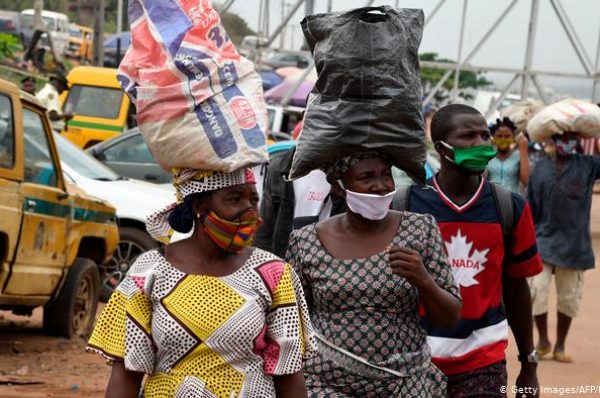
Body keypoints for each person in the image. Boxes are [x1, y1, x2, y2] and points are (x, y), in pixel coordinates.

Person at [87, 167, 317, 397]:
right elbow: (127, 373)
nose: (249, 210)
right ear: (199, 206)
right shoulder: (149, 272)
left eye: (253, 200)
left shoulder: (274, 273)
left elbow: (288, 374)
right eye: (235, 199)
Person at [286, 152, 462, 397]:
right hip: (326, 385)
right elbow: (290, 323)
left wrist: (424, 281)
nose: (380, 186)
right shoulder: (305, 241)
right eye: (367, 177)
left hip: (406, 385)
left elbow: (450, 317)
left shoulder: (420, 229)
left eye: (385, 175)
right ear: (339, 187)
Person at [397, 104, 543, 398]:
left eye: (483, 136)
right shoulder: (407, 205)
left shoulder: (509, 207)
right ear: (441, 148)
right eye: (468, 137)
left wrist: (529, 363)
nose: (481, 144)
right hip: (413, 359)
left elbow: (516, 288)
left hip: (483, 360)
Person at [527, 132, 600, 363]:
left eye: (570, 138)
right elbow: (530, 204)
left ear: (577, 142)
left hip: (574, 244)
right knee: (536, 291)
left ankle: (560, 344)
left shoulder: (587, 165)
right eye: (561, 138)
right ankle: (544, 341)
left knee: (568, 298)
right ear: (552, 141)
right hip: (543, 239)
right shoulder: (540, 168)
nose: (565, 143)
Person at [255, 146, 345, 258]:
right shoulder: (280, 167)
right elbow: (264, 234)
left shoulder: (345, 171)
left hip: (327, 264)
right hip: (284, 264)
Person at [487, 117, 531, 194]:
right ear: (493, 137)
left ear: (513, 138)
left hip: (513, 201)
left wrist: (523, 151)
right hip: (491, 200)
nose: (503, 139)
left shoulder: (518, 155)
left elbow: (526, 181)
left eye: (507, 136)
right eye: (499, 136)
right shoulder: (488, 155)